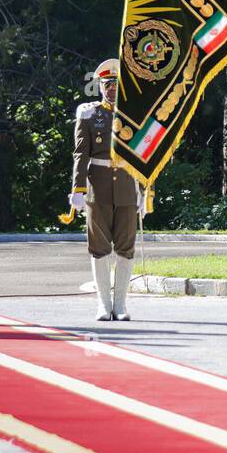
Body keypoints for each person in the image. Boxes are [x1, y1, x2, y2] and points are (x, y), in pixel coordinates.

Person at [70, 58, 141, 321]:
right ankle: (103, 304)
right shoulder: (89, 114)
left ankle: (120, 305)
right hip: (97, 187)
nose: (112, 89)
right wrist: (77, 188)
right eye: (108, 84)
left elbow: (145, 155)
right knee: (99, 246)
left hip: (126, 185)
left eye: (116, 84)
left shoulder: (134, 115)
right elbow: (81, 153)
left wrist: (145, 190)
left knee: (125, 246)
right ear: (100, 86)